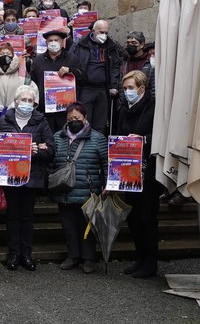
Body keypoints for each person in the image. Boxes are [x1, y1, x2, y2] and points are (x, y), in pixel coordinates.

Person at [0, 85, 55, 272]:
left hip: (31, 176)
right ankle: (13, 253)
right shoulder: (3, 121)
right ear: (16, 101)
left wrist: (38, 151)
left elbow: (52, 150)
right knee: (12, 216)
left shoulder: (41, 122)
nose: (26, 103)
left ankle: (26, 254)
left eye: (30, 101)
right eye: (23, 100)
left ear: (34, 104)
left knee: (26, 216)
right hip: (9, 176)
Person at [50, 102, 108, 274]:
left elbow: (106, 163)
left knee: (87, 227)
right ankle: (73, 256)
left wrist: (107, 183)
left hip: (88, 189)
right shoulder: (57, 137)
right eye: (70, 118)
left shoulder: (98, 138)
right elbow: (52, 161)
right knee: (68, 226)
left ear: (85, 118)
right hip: (64, 190)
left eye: (77, 118)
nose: (73, 121)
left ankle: (89, 258)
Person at [116, 70, 159, 278]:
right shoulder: (124, 108)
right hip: (127, 171)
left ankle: (151, 262)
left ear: (141, 88)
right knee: (133, 217)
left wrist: (143, 139)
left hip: (147, 171)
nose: (127, 92)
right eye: (125, 88)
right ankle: (140, 256)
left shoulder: (154, 107)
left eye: (130, 88)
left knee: (147, 217)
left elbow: (160, 135)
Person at [69, 20, 122, 133]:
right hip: (85, 88)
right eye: (101, 32)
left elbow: (114, 67)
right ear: (93, 30)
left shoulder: (111, 46)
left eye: (106, 33)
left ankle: (99, 148)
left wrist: (114, 85)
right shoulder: (80, 43)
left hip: (103, 89)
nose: (104, 35)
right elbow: (71, 62)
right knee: (84, 121)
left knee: (101, 123)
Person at [29, 30, 86, 133]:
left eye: (56, 40)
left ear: (62, 42)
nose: (53, 42)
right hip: (44, 110)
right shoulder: (38, 61)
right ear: (46, 43)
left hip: (65, 111)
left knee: (64, 137)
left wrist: (71, 70)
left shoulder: (72, 59)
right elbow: (32, 83)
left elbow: (83, 78)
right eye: (50, 40)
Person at [0, 42, 38, 113]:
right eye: (2, 54)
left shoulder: (22, 72)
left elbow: (32, 89)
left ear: (13, 55)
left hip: (18, 115)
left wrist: (19, 103)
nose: (5, 56)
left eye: (8, 54)